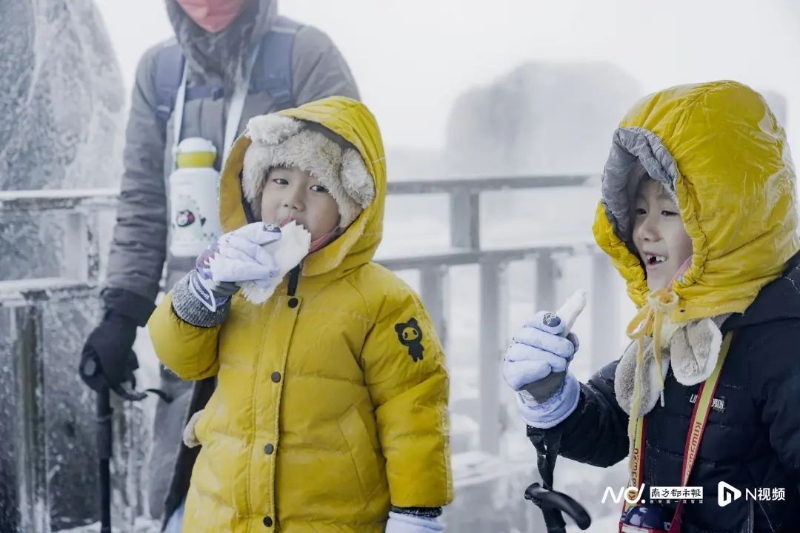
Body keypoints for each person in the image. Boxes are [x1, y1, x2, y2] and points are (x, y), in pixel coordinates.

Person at [77, 0, 360, 525]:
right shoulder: (159, 74)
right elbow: (144, 198)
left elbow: (348, 192)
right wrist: (122, 312)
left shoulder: (304, 56)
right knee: (185, 501)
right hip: (192, 327)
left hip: (291, 337)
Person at [503, 81, 800, 532]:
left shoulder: (783, 341)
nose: (644, 231)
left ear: (730, 220)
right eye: (639, 211)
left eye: (669, 211)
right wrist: (552, 395)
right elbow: (611, 426)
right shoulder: (674, 321)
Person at [147, 96, 453, 532]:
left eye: (318, 187)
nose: (292, 201)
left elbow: (415, 410)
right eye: (279, 179)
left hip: (332, 517)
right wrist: (204, 288)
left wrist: (416, 513)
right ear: (255, 188)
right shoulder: (229, 277)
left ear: (351, 206)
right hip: (222, 513)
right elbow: (182, 359)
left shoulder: (383, 300)